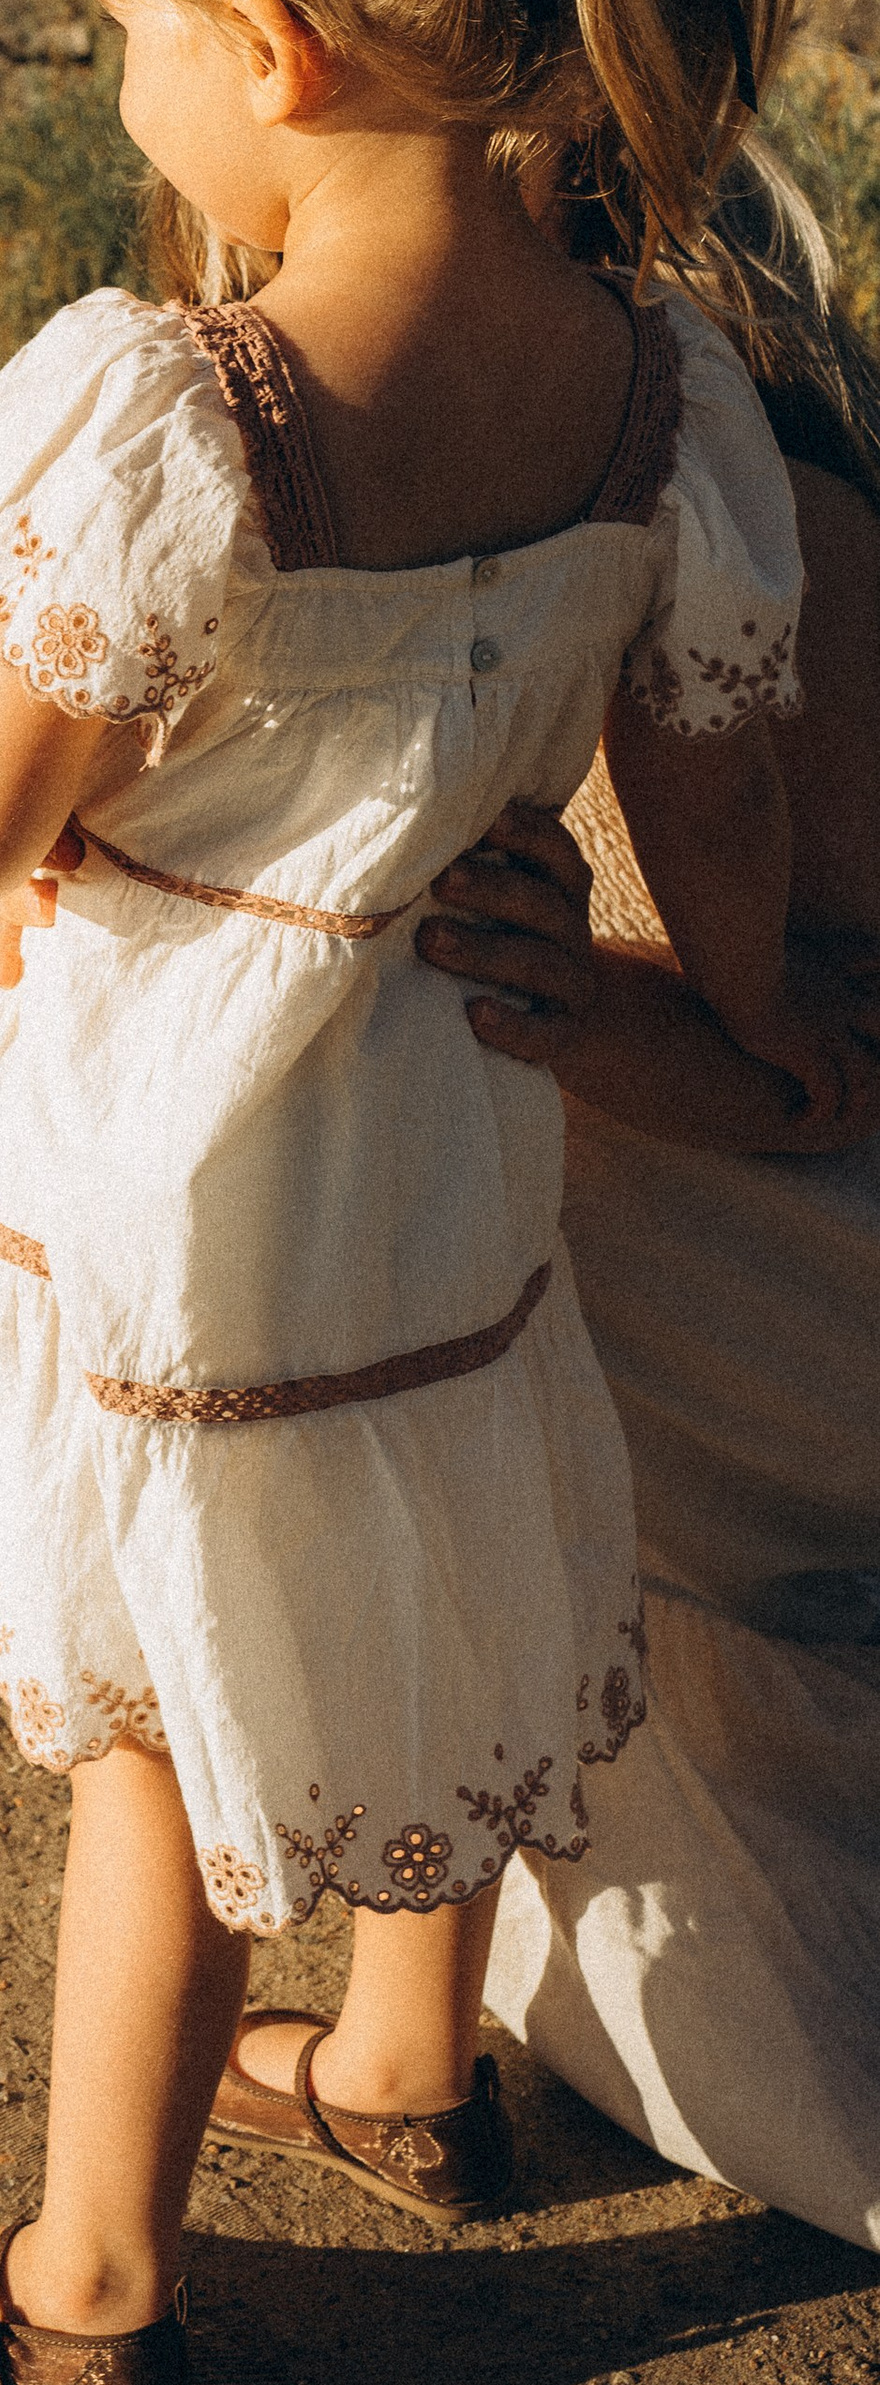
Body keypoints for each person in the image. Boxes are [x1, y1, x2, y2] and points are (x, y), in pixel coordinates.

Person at [0, 0, 841, 2385]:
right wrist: (668, 1019)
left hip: (188, 1164)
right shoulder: (667, 405)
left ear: (274, 65)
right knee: (442, 1563)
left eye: (122, 39)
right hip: (466, 1135)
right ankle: (412, 2071)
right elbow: (723, 878)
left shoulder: (174, 412)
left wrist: (56, 808)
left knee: (159, 1720)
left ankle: (85, 2286)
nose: (122, 95)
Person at [414, 122, 880, 2255]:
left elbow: (819, 1070)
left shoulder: (759, 545)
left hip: (809, 1264)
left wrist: (570, 1011)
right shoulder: (757, 489)